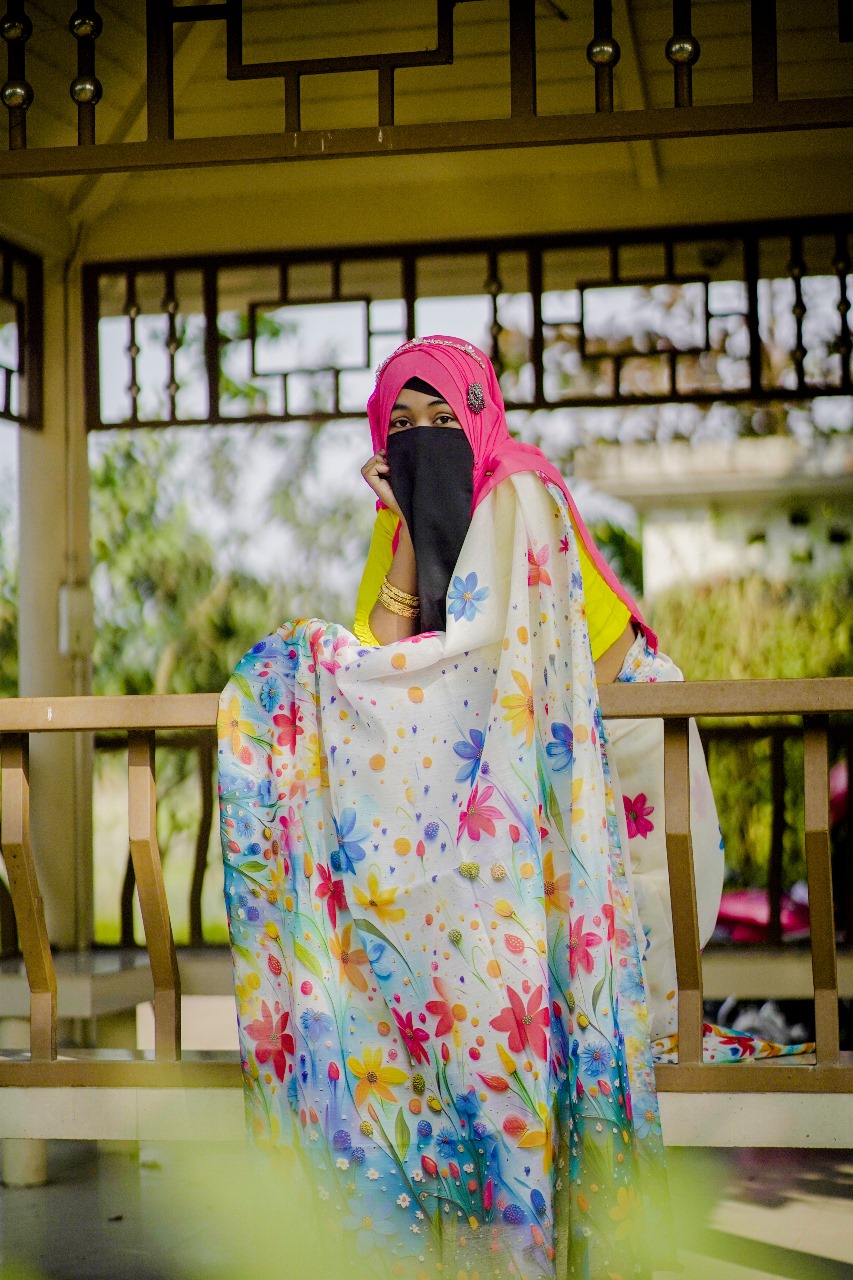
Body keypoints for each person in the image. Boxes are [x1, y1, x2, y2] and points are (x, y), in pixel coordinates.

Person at [218, 336, 806, 1279]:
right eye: (401, 424)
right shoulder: (395, 515)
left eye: (443, 418)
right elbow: (386, 660)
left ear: (480, 416)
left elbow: (557, 657)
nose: (424, 439)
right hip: (492, 750)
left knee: (596, 948)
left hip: (612, 747)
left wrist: (494, 698)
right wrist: (403, 524)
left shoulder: (525, 491)